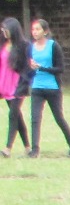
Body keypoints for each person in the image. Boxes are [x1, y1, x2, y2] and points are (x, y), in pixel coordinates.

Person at [25, 17, 70, 157]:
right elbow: (29, 68)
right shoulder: (31, 47)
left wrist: (42, 68)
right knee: (35, 118)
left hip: (53, 88)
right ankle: (35, 150)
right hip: (37, 88)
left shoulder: (53, 46)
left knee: (59, 118)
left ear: (45, 31)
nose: (35, 32)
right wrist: (30, 68)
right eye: (33, 29)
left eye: (38, 29)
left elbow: (60, 68)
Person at [1, 16, 28, 156]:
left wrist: (23, 83)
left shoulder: (23, 46)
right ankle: (28, 146)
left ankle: (8, 148)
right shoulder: (3, 44)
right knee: (17, 116)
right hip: (5, 85)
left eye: (5, 29)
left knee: (12, 115)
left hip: (17, 86)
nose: (3, 31)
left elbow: (26, 67)